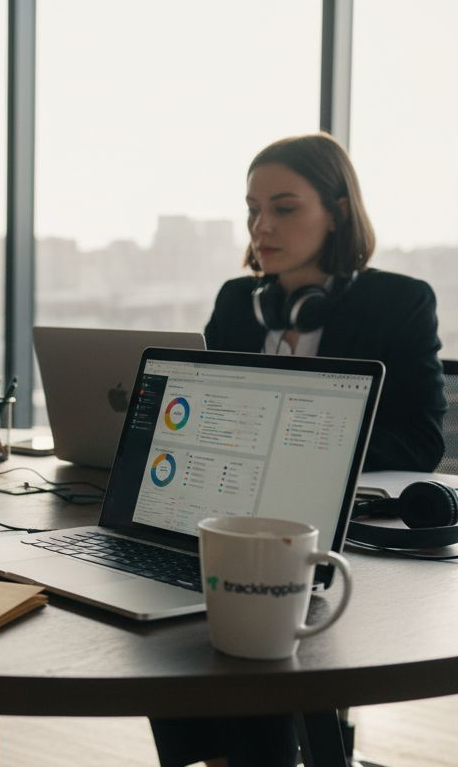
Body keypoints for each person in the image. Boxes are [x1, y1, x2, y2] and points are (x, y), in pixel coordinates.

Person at [151, 132, 446, 767]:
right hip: (230, 507)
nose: (262, 225)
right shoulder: (238, 303)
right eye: (253, 209)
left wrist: (306, 449)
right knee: (170, 592)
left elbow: (422, 439)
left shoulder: (398, 301)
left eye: (284, 207)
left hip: (340, 535)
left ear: (337, 210)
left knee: (241, 603)